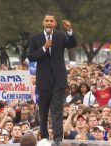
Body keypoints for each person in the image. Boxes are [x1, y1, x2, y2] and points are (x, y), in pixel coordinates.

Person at [28, 13, 77, 146]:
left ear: (55, 23)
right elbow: (31, 56)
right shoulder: (35, 38)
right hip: (43, 80)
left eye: (51, 21)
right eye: (47, 21)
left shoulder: (61, 36)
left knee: (56, 110)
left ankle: (57, 139)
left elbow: (72, 44)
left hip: (58, 79)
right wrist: (44, 48)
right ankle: (44, 138)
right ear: (43, 23)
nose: (49, 23)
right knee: (43, 111)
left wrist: (69, 30)